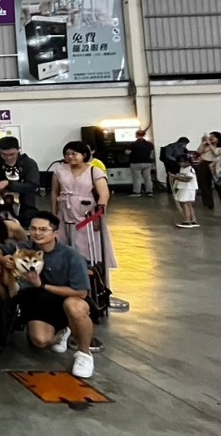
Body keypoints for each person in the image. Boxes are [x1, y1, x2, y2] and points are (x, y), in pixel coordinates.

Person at [15, 212, 96, 378]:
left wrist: (42, 285)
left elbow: (81, 292)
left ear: (55, 233)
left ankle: (84, 353)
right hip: (41, 303)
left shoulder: (71, 255)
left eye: (43, 229)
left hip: (68, 299)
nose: (37, 233)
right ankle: (61, 332)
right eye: (33, 229)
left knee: (74, 306)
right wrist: (6, 259)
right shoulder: (25, 248)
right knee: (40, 341)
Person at [51, 141, 124, 311]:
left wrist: (99, 215)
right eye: (67, 154)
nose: (70, 157)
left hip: (88, 217)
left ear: (84, 155)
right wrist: (53, 215)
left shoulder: (94, 171)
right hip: (65, 215)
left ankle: (98, 289)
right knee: (64, 249)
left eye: (74, 153)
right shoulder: (60, 170)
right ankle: (69, 288)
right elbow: (54, 192)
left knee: (91, 252)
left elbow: (104, 194)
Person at [0, 136, 41, 226]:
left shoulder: (29, 164)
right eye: (4, 154)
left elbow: (32, 185)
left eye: (12, 154)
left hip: (26, 210)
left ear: (18, 150)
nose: (8, 157)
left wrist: (9, 184)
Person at [125, 129, 156, 197]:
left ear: (136, 135)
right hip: (147, 163)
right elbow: (151, 154)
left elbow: (127, 152)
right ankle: (149, 192)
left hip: (136, 163)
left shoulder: (132, 144)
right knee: (147, 178)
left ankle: (137, 192)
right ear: (144, 135)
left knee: (137, 178)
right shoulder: (149, 144)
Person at [170, 160, 200, 228]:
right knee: (188, 204)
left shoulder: (190, 169)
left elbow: (188, 179)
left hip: (187, 188)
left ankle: (187, 220)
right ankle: (193, 220)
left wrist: (175, 177)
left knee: (184, 203)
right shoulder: (183, 169)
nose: (180, 164)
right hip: (186, 188)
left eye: (181, 162)